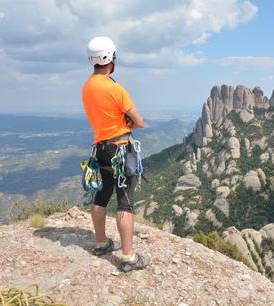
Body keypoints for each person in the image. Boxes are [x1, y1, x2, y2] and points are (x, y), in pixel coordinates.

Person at [82, 36, 149, 272]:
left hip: (100, 149)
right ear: (110, 58)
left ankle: (101, 243)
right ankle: (128, 258)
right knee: (125, 203)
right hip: (120, 149)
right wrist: (128, 120)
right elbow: (139, 121)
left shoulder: (87, 87)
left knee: (101, 196)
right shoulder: (115, 89)